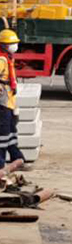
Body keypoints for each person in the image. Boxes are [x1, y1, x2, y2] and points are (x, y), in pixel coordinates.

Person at [0, 29, 24, 168]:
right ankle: (1, 164)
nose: (15, 46)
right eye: (12, 43)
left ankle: (17, 157)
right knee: (2, 134)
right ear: (3, 45)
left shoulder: (8, 58)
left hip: (9, 101)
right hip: (2, 103)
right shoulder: (1, 59)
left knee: (11, 131)